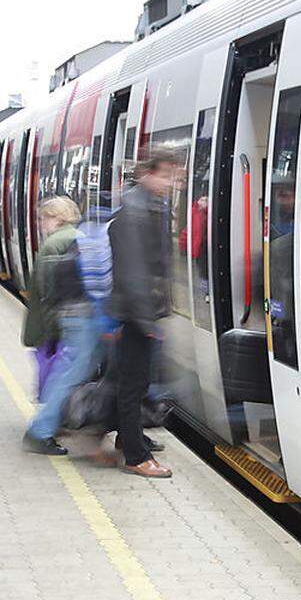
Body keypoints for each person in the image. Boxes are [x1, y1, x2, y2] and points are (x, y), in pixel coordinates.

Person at [107, 152, 179, 478]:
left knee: (136, 381)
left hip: (139, 311)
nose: (171, 183)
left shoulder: (146, 206)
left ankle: (129, 437)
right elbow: (133, 271)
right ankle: (136, 456)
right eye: (166, 176)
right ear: (146, 174)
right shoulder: (134, 213)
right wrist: (146, 321)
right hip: (136, 314)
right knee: (133, 384)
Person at [21, 196, 94, 455]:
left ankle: (44, 428)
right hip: (79, 317)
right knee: (70, 372)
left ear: (57, 218)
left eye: (44, 218)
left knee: (63, 373)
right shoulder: (80, 237)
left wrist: (48, 331)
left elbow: (46, 293)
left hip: (63, 320)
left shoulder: (53, 245)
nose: (41, 224)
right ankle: (51, 425)